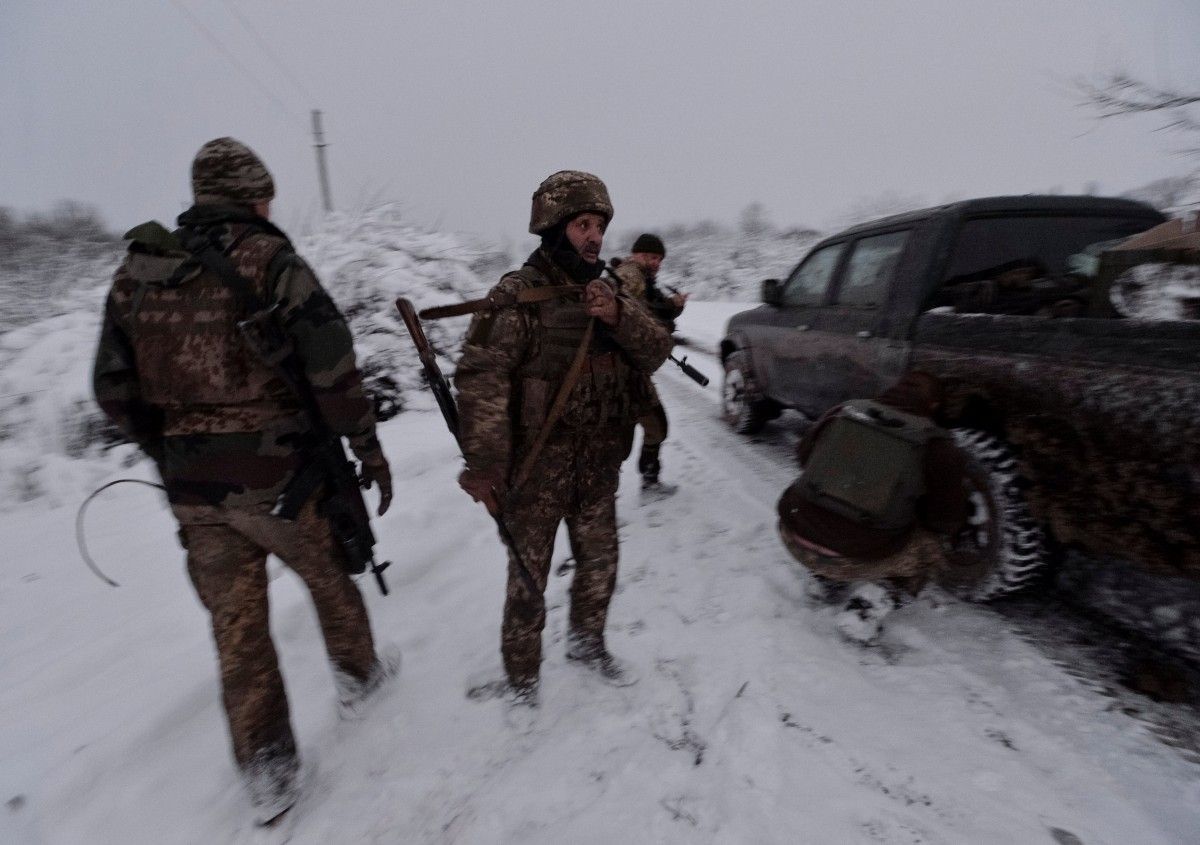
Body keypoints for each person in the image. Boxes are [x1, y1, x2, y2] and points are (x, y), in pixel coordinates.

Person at [92, 137, 396, 824]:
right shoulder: (271, 260)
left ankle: (267, 771)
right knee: (328, 575)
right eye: (265, 193)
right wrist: (367, 448)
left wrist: (172, 447)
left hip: (193, 490)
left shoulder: (136, 273)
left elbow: (110, 387)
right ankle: (359, 677)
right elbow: (334, 368)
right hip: (281, 478)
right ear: (253, 194)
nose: (269, 204)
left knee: (236, 627)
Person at [454, 171, 672, 707]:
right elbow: (481, 380)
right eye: (582, 224)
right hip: (539, 467)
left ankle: (587, 643)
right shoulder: (517, 295)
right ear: (553, 228)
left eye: (598, 224)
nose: (594, 236)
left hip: (599, 462)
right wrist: (486, 465)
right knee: (528, 578)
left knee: (601, 561)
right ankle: (521, 678)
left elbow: (657, 349)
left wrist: (619, 316)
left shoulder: (613, 289)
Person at [776, 371, 969, 643]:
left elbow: (803, 457)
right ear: (935, 406)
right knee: (932, 547)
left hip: (794, 534)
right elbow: (944, 520)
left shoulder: (844, 412)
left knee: (834, 512)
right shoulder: (937, 446)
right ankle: (873, 602)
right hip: (853, 556)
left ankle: (824, 579)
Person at [611, 233, 688, 495]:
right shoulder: (630, 276)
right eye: (650, 257)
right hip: (622, 374)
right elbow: (627, 319)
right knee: (623, 439)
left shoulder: (642, 279)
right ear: (636, 255)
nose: (656, 262)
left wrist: (673, 308)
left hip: (634, 373)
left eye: (659, 258)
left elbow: (650, 310)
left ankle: (649, 480)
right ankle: (601, 497)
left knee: (654, 426)